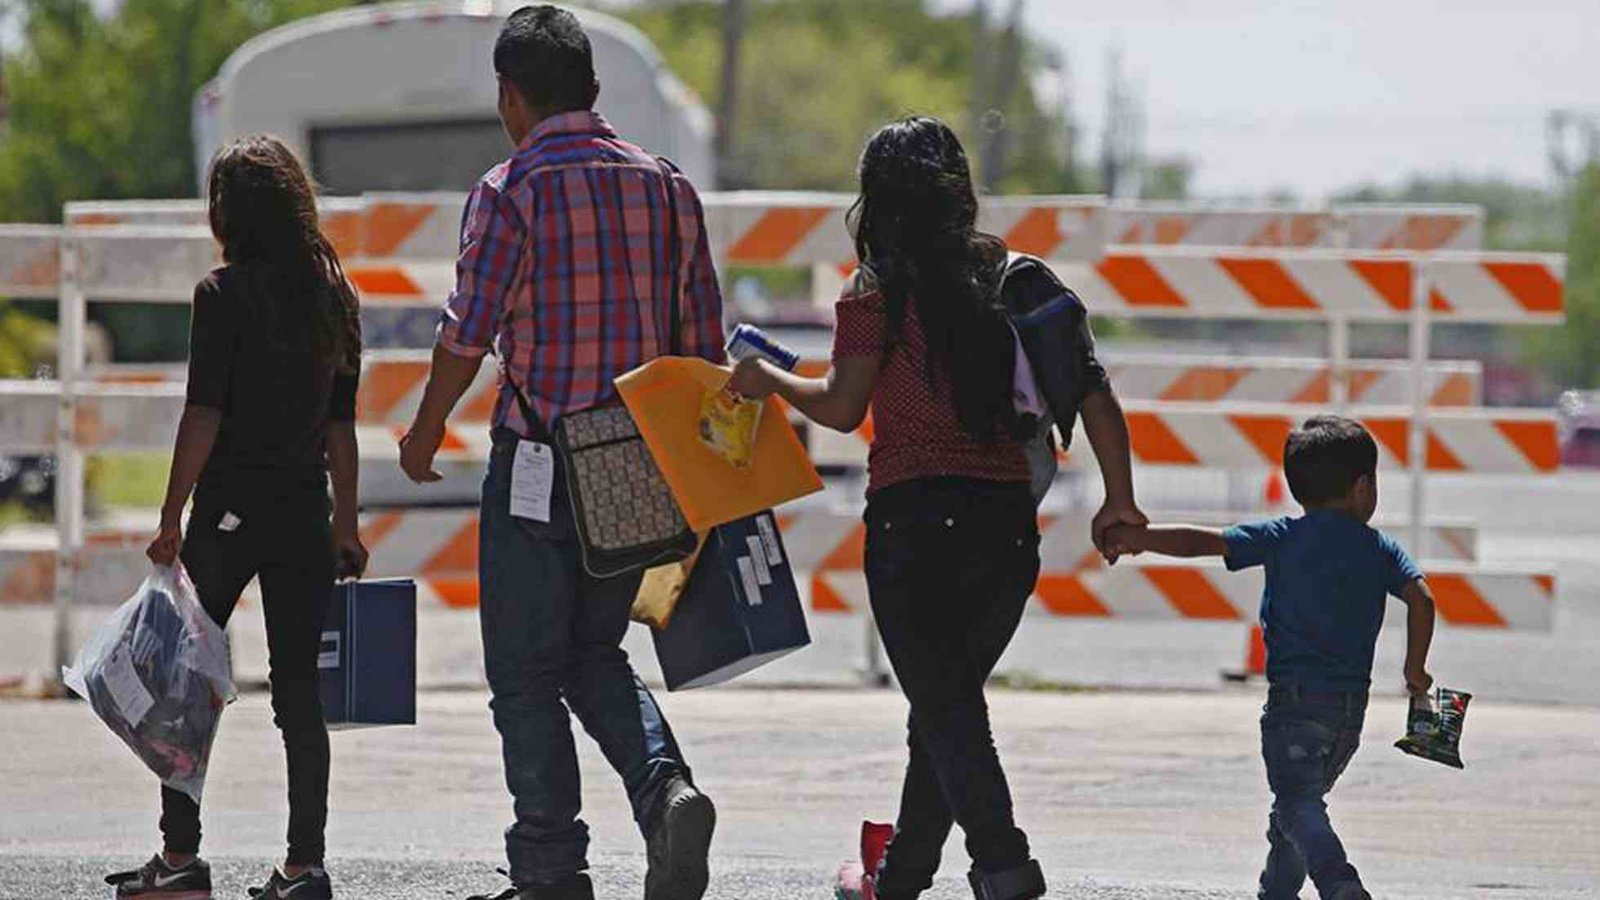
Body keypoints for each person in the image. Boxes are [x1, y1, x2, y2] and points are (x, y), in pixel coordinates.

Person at [728, 116, 1145, 900]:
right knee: (942, 707)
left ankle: (1004, 862)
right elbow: (1094, 393)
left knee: (946, 706)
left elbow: (845, 407)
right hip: (1002, 526)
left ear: (875, 200)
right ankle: (904, 876)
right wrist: (1120, 504)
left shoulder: (876, 289)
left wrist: (768, 380)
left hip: (912, 524)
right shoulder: (1017, 279)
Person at [397, 7, 725, 900]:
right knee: (593, 652)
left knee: (524, 673)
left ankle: (549, 870)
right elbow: (703, 353)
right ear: (593, 89)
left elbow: (466, 336)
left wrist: (425, 433)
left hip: (541, 461)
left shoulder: (510, 191)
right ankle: (667, 791)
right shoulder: (667, 188)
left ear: (511, 96)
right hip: (639, 463)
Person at [112, 135, 368, 900]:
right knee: (300, 697)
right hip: (302, 514)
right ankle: (304, 867)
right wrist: (346, 526)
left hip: (226, 512)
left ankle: (181, 861)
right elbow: (341, 432)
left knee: (185, 685)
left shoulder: (220, 296)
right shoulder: (334, 297)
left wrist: (169, 512)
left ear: (229, 213)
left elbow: (204, 415)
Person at [1104, 415, 1438, 900]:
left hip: (1293, 708)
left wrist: (1140, 538)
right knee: (1295, 809)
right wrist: (1415, 671)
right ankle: (1276, 892)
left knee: (1297, 804)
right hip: (1349, 712)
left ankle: (1339, 883)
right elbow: (1422, 599)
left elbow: (1206, 542)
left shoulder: (1283, 536)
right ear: (1364, 487)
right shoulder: (1380, 548)